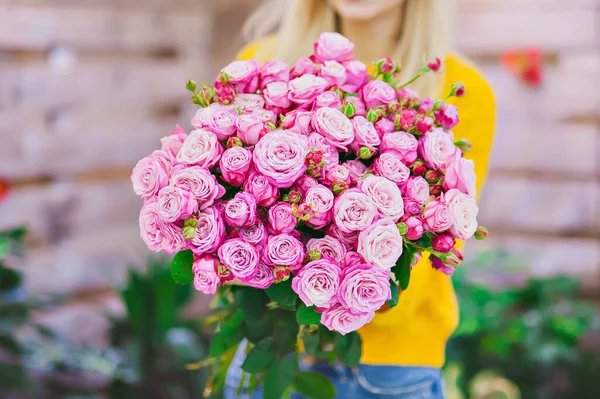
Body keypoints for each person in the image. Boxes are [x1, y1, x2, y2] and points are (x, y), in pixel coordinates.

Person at [225, 0, 496, 397]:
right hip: (272, 353)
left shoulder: (462, 90)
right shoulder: (262, 63)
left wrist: (319, 280)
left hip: (388, 370)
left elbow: (435, 245)